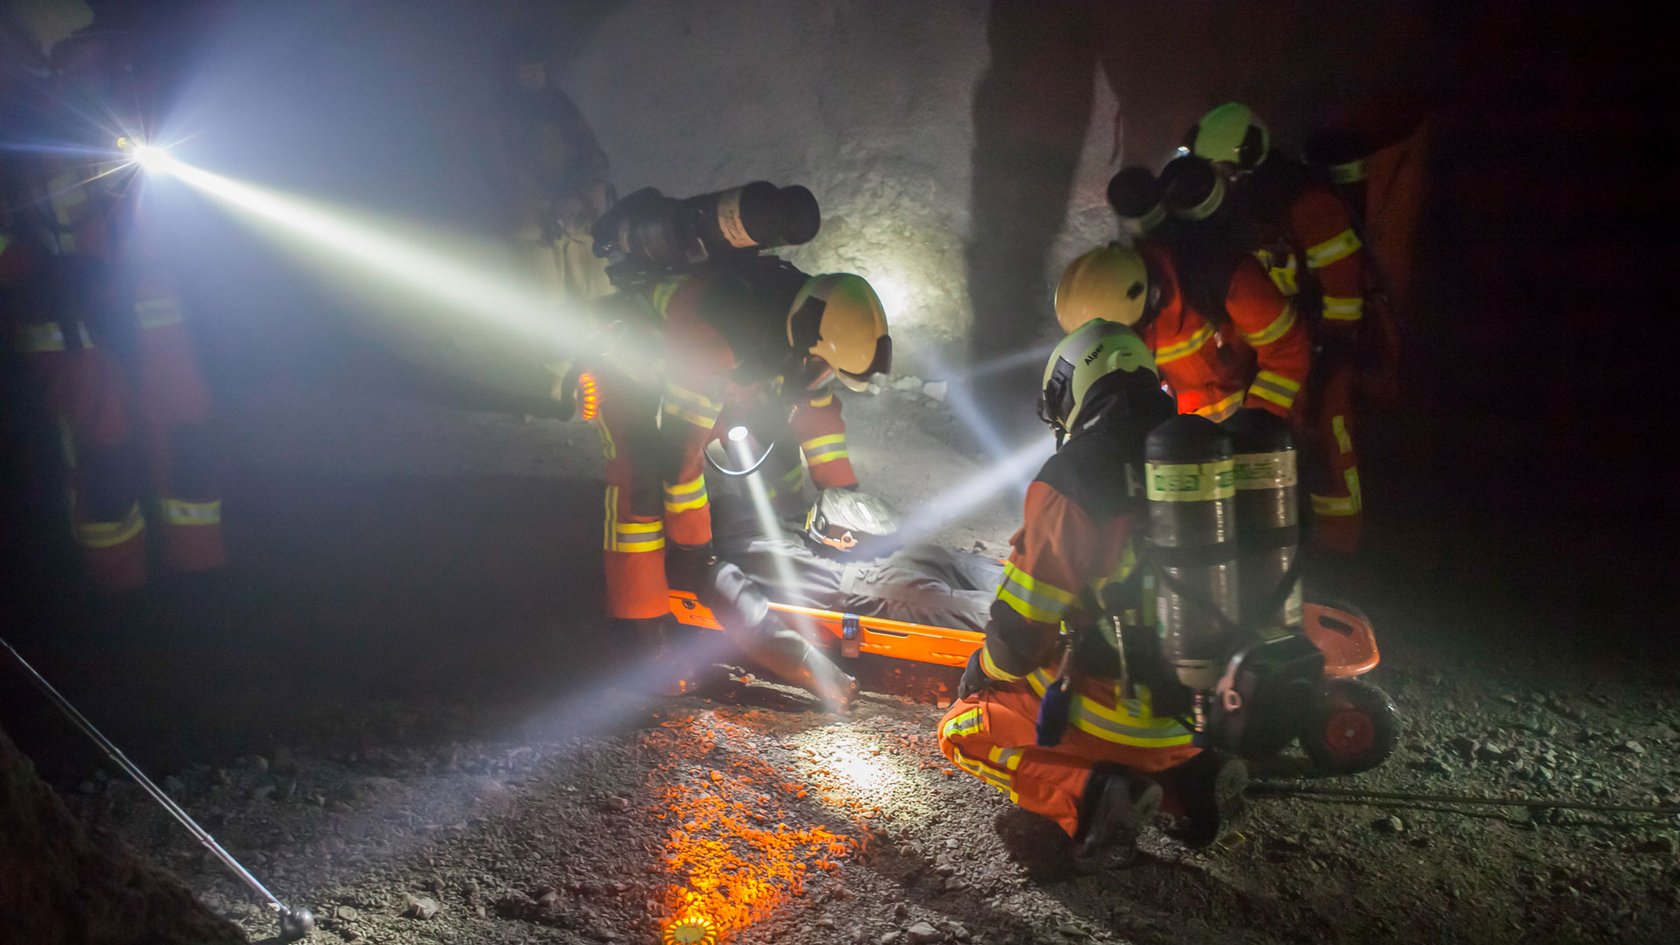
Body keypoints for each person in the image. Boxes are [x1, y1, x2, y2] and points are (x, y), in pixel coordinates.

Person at [937, 320, 1247, 870]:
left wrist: (982, 668)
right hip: (1203, 714)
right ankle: (1190, 781)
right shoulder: (1201, 455)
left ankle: (1094, 792)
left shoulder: (1076, 475)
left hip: (1118, 715)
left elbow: (1017, 639)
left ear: (1074, 389)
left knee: (962, 728)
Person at [585, 244, 891, 710]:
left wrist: (843, 499)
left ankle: (761, 552)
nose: (823, 377)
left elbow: (820, 421)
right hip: (635, 372)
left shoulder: (807, 327)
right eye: (822, 368)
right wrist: (695, 551)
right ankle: (642, 632)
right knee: (642, 485)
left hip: (720, 376)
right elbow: (681, 460)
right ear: (805, 348)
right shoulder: (717, 338)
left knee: (774, 445)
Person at [0, 12, 225, 591]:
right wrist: (32, 271)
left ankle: (201, 576)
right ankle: (118, 594)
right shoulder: (16, 103)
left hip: (153, 299)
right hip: (63, 316)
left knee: (187, 433)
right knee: (104, 455)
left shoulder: (115, 79)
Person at [1181, 102, 1376, 553]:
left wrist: (1329, 362)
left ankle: (1339, 546)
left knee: (1330, 437)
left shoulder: (1312, 208)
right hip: (1274, 345)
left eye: (1220, 169)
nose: (1215, 181)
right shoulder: (1242, 210)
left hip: (1326, 347)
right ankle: (1274, 539)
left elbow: (1345, 295)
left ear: (1245, 164)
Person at [1055, 238, 1308, 425]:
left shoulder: (1225, 280)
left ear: (1151, 298)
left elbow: (1288, 353)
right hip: (1195, 451)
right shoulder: (1130, 319)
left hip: (1273, 427)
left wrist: (1255, 426)